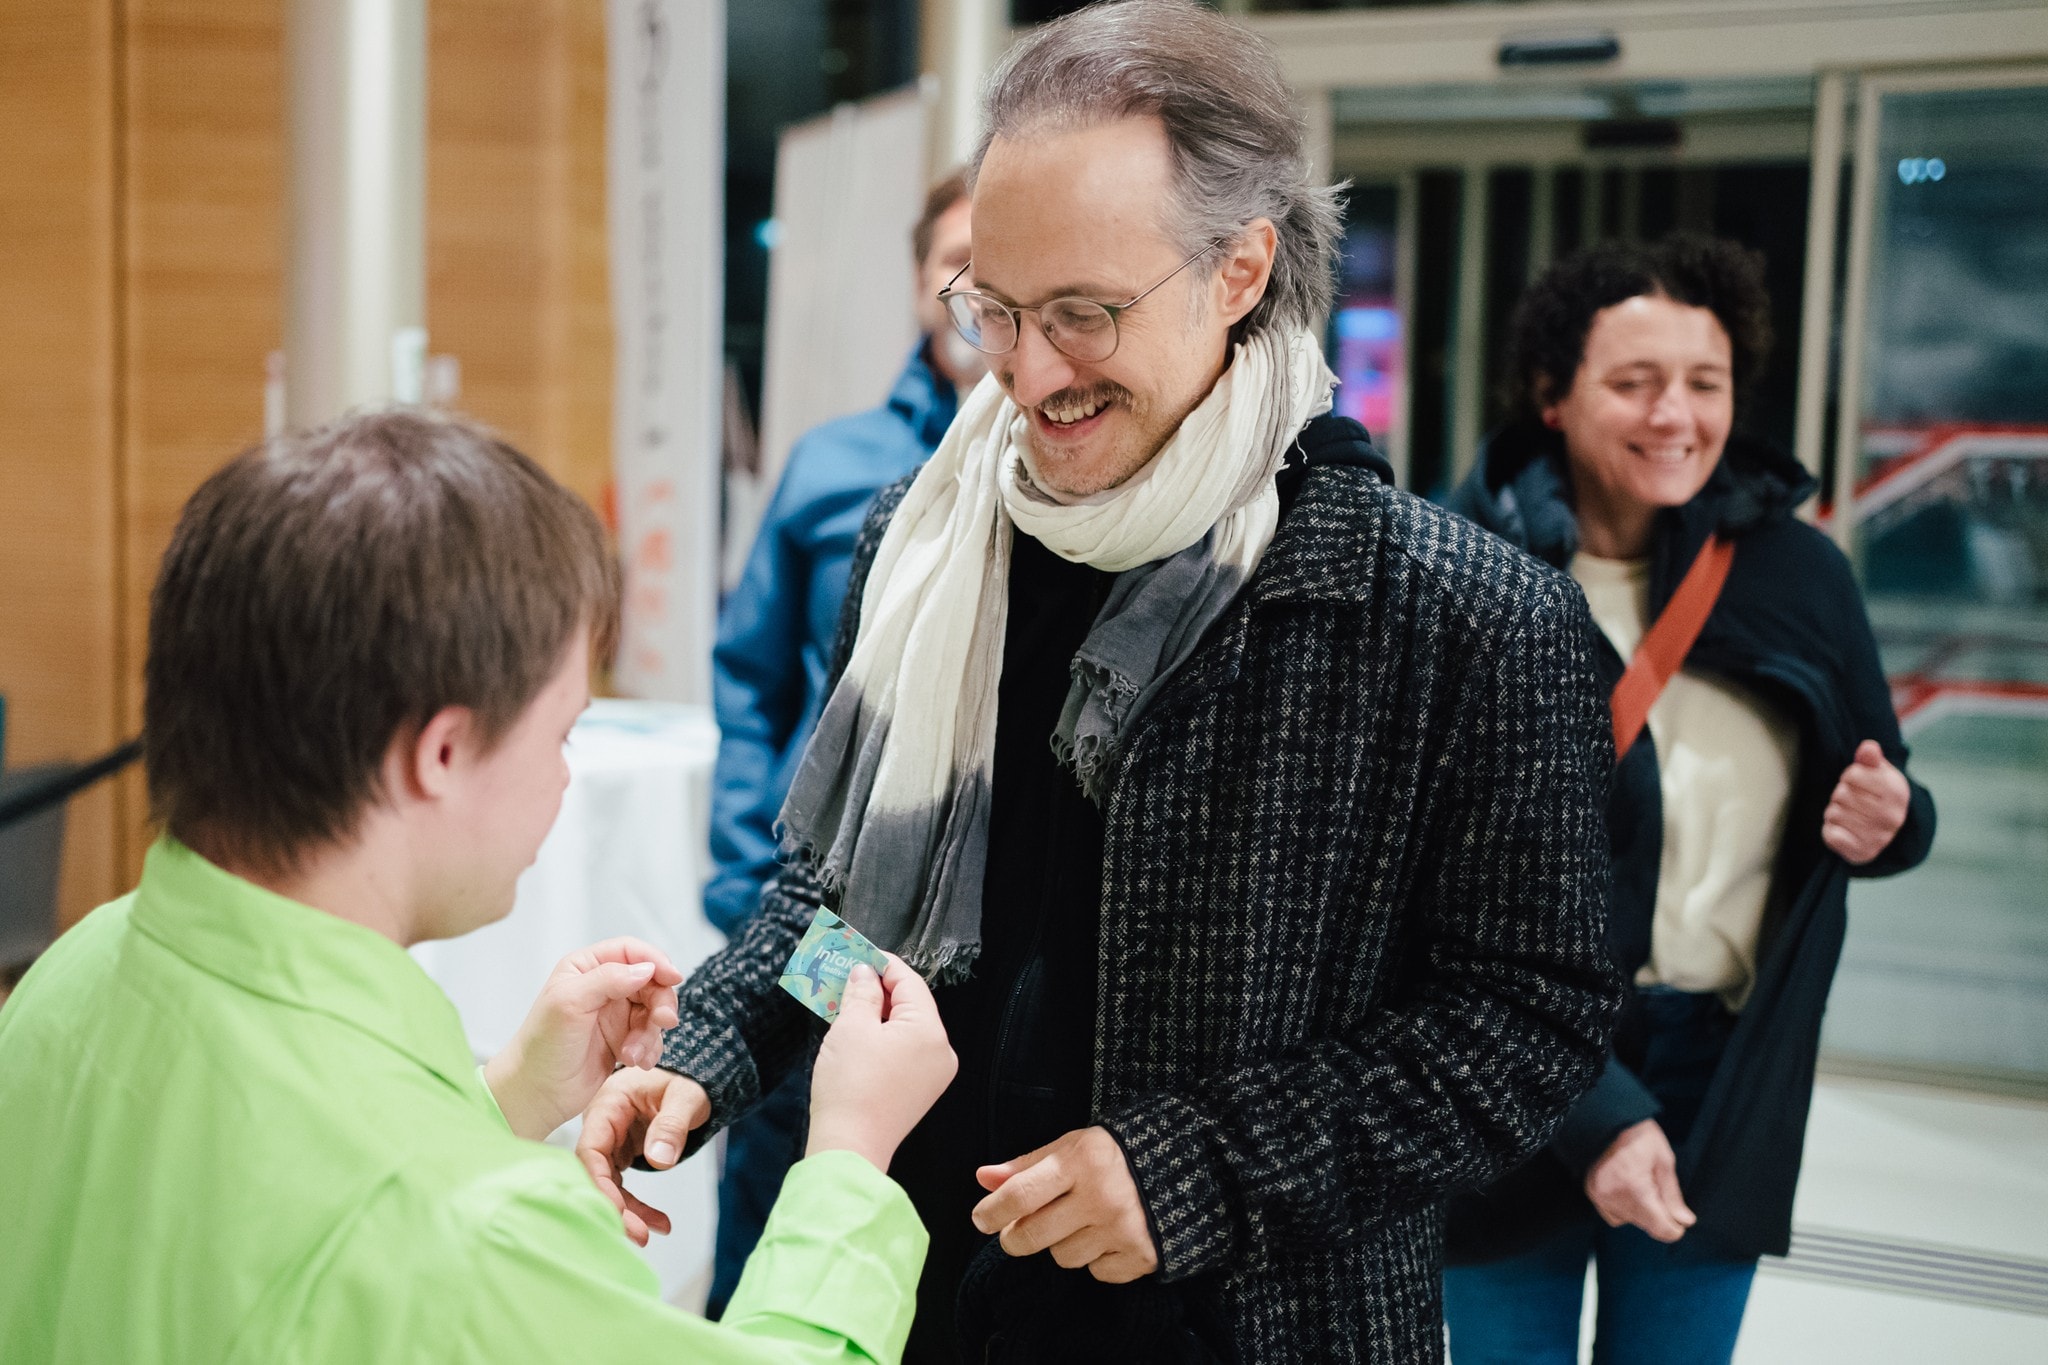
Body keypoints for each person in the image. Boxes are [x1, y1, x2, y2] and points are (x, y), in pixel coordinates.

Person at [578, 2, 1623, 1359]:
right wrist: (709, 1047)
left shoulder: (1458, 618)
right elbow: (843, 902)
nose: (1026, 371)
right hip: (915, 1292)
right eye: (995, 310)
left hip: (1248, 1323)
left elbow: (1525, 1020)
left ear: (1242, 268)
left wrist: (1199, 1171)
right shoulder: (924, 545)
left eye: (1083, 314)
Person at [0, 411, 956, 1364]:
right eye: (562, 733)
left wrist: (499, 1100)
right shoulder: (479, 1234)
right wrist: (847, 1154)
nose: (566, 776)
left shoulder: (67, 975)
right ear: (444, 753)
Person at [1441, 235, 1937, 1364]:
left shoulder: (1794, 574)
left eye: (1703, 385)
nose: (1675, 415)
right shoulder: (1459, 570)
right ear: (1551, 396)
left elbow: (1886, 798)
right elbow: (1422, 886)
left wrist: (1893, 821)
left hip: (1719, 1074)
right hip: (1509, 1073)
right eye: (1633, 382)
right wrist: (1594, 1111)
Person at [704, 169, 980, 1317]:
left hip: (973, 948)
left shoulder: (1096, 477)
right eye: (953, 259)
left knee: (931, 1229)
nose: (974, 286)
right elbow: (750, 677)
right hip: (817, 918)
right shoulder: (835, 463)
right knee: (782, 1183)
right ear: (921, 280)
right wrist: (740, 888)